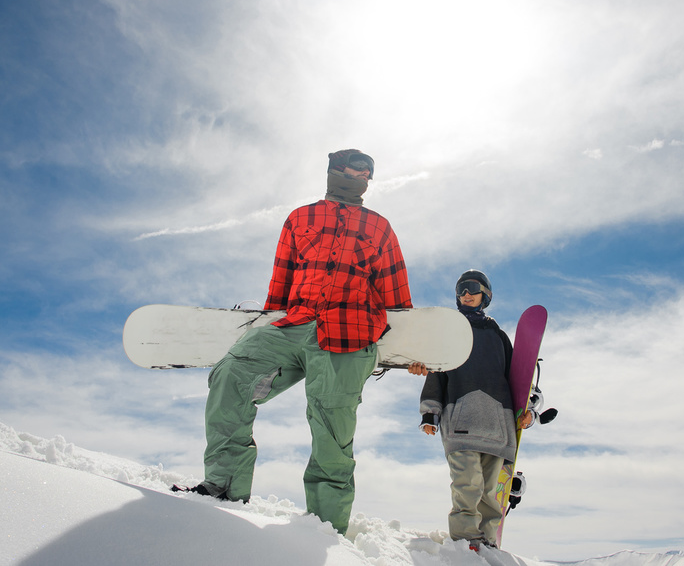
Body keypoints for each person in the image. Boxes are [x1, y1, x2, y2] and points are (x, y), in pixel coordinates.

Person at [178, 149, 413, 536]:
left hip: (349, 334)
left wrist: (411, 353)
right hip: (294, 323)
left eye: (365, 173)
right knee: (231, 374)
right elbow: (281, 279)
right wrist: (266, 323)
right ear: (333, 171)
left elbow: (397, 298)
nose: (358, 176)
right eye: (351, 169)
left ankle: (325, 528)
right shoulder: (300, 218)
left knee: (331, 430)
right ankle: (222, 488)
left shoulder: (379, 227)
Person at [418, 270, 533, 550]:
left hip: (497, 424)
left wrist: (525, 411)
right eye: (460, 290)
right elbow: (436, 373)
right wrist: (430, 411)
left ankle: (487, 541)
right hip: (461, 420)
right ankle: (466, 540)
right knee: (467, 484)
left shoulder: (498, 335)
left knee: (490, 492)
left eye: (472, 288)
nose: (465, 294)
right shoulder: (450, 333)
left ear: (486, 295)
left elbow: (517, 379)